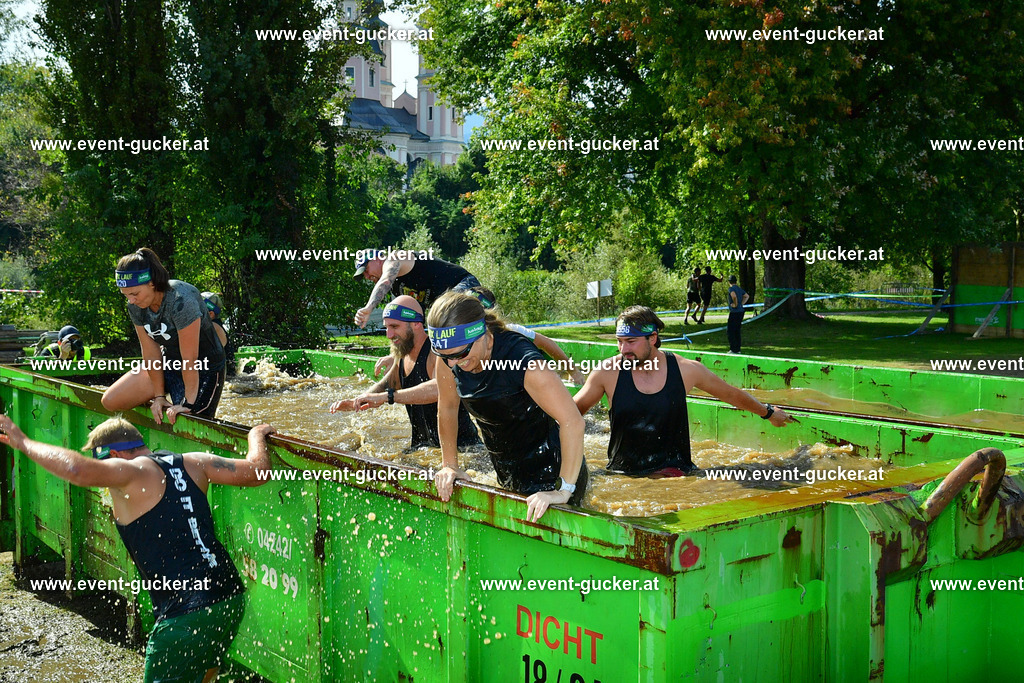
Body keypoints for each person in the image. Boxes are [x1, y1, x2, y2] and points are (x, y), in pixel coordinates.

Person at [0, 413, 275, 683]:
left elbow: (77, 470)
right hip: (228, 596)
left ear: (116, 457)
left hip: (186, 613)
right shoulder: (195, 462)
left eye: (105, 469)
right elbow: (258, 472)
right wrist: (256, 435)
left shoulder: (133, 473)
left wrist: (23, 443)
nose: (109, 484)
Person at [574, 306, 792, 476]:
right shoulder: (607, 372)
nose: (624, 350)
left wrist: (769, 413)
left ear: (653, 338)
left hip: (677, 476)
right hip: (624, 477)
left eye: (631, 342)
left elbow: (730, 394)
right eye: (620, 342)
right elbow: (571, 414)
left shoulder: (686, 370)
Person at [427, 291, 587, 522]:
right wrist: (449, 465)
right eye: (443, 356)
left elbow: (573, 421)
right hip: (508, 470)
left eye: (460, 354)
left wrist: (563, 490)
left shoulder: (524, 361)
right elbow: (448, 407)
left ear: (481, 334)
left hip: (557, 471)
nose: (452, 363)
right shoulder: (450, 359)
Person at [329, 295, 480, 449]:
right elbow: (383, 386)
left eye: (394, 327)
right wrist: (357, 401)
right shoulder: (402, 357)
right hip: (423, 449)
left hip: (465, 450)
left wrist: (388, 397)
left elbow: (441, 388)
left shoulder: (438, 352)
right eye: (386, 327)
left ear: (416, 324)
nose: (389, 335)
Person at [101, 248, 226, 425]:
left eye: (135, 294)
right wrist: (159, 396)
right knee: (111, 400)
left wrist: (188, 403)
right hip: (170, 361)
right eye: (126, 295)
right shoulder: (135, 306)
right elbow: (150, 352)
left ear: (152, 282)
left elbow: (190, 358)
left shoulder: (181, 301)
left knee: (187, 420)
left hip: (204, 366)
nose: (131, 301)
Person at [352, 248, 480, 328]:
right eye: (364, 275)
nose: (367, 276)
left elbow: (385, 281)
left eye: (366, 270)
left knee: (444, 315)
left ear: (377, 259)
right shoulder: (396, 287)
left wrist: (368, 308)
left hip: (465, 285)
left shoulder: (395, 258)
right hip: (444, 302)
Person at [727, 275, 749, 354]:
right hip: (741, 312)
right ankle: (738, 348)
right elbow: (746, 296)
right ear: (736, 281)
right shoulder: (739, 289)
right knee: (737, 330)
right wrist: (741, 304)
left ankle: (733, 349)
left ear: (729, 282)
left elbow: (733, 296)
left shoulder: (731, 289)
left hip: (734, 312)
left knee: (731, 331)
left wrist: (735, 304)